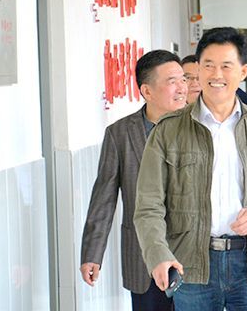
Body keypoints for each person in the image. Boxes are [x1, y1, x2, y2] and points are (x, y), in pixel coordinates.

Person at [133, 27, 247, 311]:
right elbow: (148, 205)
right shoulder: (168, 131)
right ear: (197, 71)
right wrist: (158, 254)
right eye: (208, 65)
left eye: (226, 66)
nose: (216, 74)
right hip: (191, 265)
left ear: (243, 72)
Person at [80, 50, 188, 311]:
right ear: (147, 91)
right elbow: (104, 198)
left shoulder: (201, 128)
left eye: (183, 79)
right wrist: (92, 254)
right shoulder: (120, 134)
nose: (182, 88)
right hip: (142, 258)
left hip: (192, 255)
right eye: (172, 81)